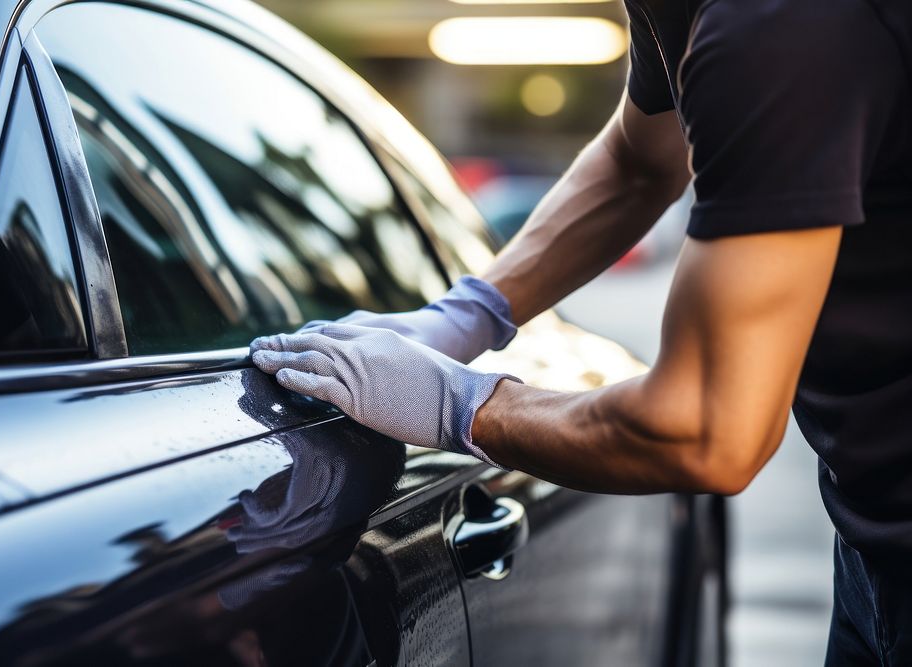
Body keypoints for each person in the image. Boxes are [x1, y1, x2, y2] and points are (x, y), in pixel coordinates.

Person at [250, 1, 912, 663]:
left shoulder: (779, 22)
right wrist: (466, 314)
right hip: (872, 546)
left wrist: (461, 404)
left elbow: (710, 428)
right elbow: (642, 159)